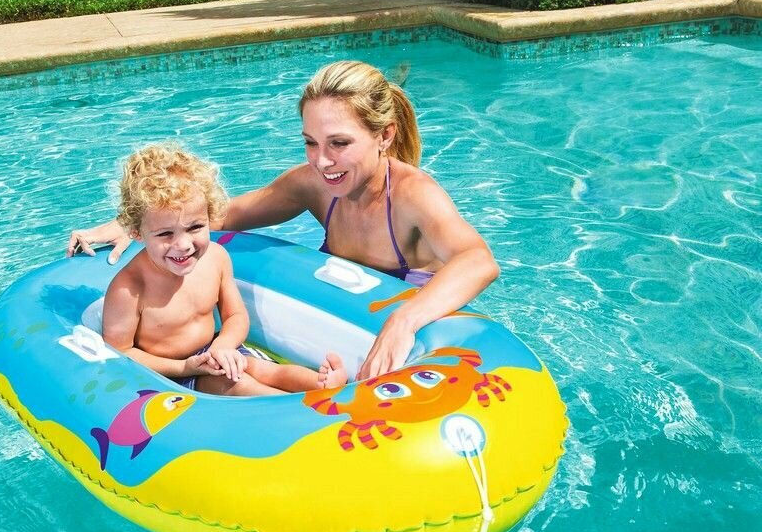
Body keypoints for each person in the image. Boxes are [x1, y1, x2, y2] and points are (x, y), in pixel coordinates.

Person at [69, 61, 499, 380]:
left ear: (384, 135)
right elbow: (217, 216)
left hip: (417, 339)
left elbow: (479, 261)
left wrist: (403, 320)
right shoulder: (314, 184)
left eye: (339, 143)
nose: (322, 161)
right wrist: (131, 224)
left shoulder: (412, 194)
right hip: (344, 332)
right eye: (311, 142)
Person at [103, 143, 347, 396]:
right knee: (238, 385)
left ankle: (323, 384)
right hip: (171, 375)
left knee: (267, 370)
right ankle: (304, 409)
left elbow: (235, 316)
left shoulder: (215, 258)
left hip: (217, 349)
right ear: (136, 233)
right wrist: (184, 367)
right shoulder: (129, 289)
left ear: (210, 217)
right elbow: (120, 352)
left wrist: (223, 345)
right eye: (165, 234)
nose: (184, 245)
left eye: (195, 227)